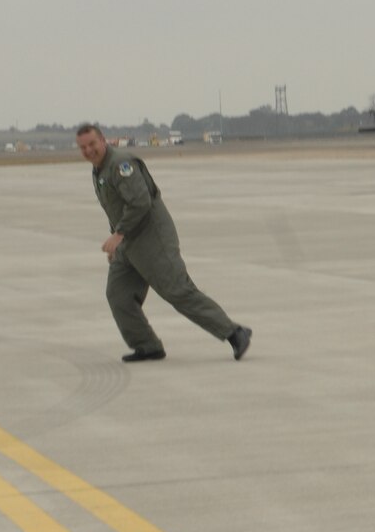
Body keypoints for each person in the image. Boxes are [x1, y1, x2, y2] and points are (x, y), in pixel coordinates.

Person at [75, 123, 250, 363]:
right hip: (127, 242)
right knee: (119, 295)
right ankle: (147, 346)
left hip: (151, 239)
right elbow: (115, 208)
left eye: (92, 144)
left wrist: (119, 234)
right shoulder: (99, 170)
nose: (88, 150)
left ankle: (234, 332)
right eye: (83, 147)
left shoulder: (121, 165)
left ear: (103, 140)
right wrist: (117, 239)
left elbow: (140, 202)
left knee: (177, 290)